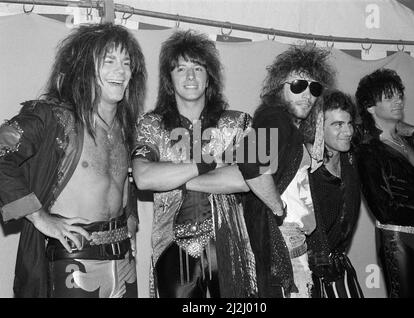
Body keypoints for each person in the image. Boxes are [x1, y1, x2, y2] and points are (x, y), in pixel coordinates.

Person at [0, 23, 146, 298]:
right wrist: (40, 217)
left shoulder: (126, 128)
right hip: (74, 261)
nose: (121, 70)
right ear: (84, 67)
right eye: (109, 61)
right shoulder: (52, 117)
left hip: (123, 260)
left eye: (126, 63)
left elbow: (125, 190)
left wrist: (131, 240)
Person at [132, 30, 257, 298]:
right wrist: (208, 165)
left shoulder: (238, 122)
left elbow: (245, 180)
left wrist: (174, 176)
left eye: (198, 68)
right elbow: (143, 177)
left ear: (209, 76)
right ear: (169, 78)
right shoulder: (151, 124)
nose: (190, 77)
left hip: (228, 245)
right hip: (171, 249)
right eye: (181, 69)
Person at [237, 44, 335, 297]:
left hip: (294, 243)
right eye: (298, 85)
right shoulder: (275, 117)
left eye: (314, 88)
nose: (307, 95)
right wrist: (278, 210)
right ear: (278, 88)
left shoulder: (292, 126)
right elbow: (249, 161)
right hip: (283, 244)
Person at [354, 68, 414, 298]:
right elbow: (384, 209)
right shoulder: (367, 150)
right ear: (370, 107)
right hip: (397, 240)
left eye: (399, 95)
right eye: (389, 97)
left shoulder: (410, 139)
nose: (398, 101)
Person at [302, 90, 363, 298]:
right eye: (338, 125)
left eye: (349, 123)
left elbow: (382, 126)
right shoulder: (302, 164)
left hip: (339, 267)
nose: (347, 131)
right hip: (305, 272)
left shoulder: (351, 159)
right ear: (317, 127)